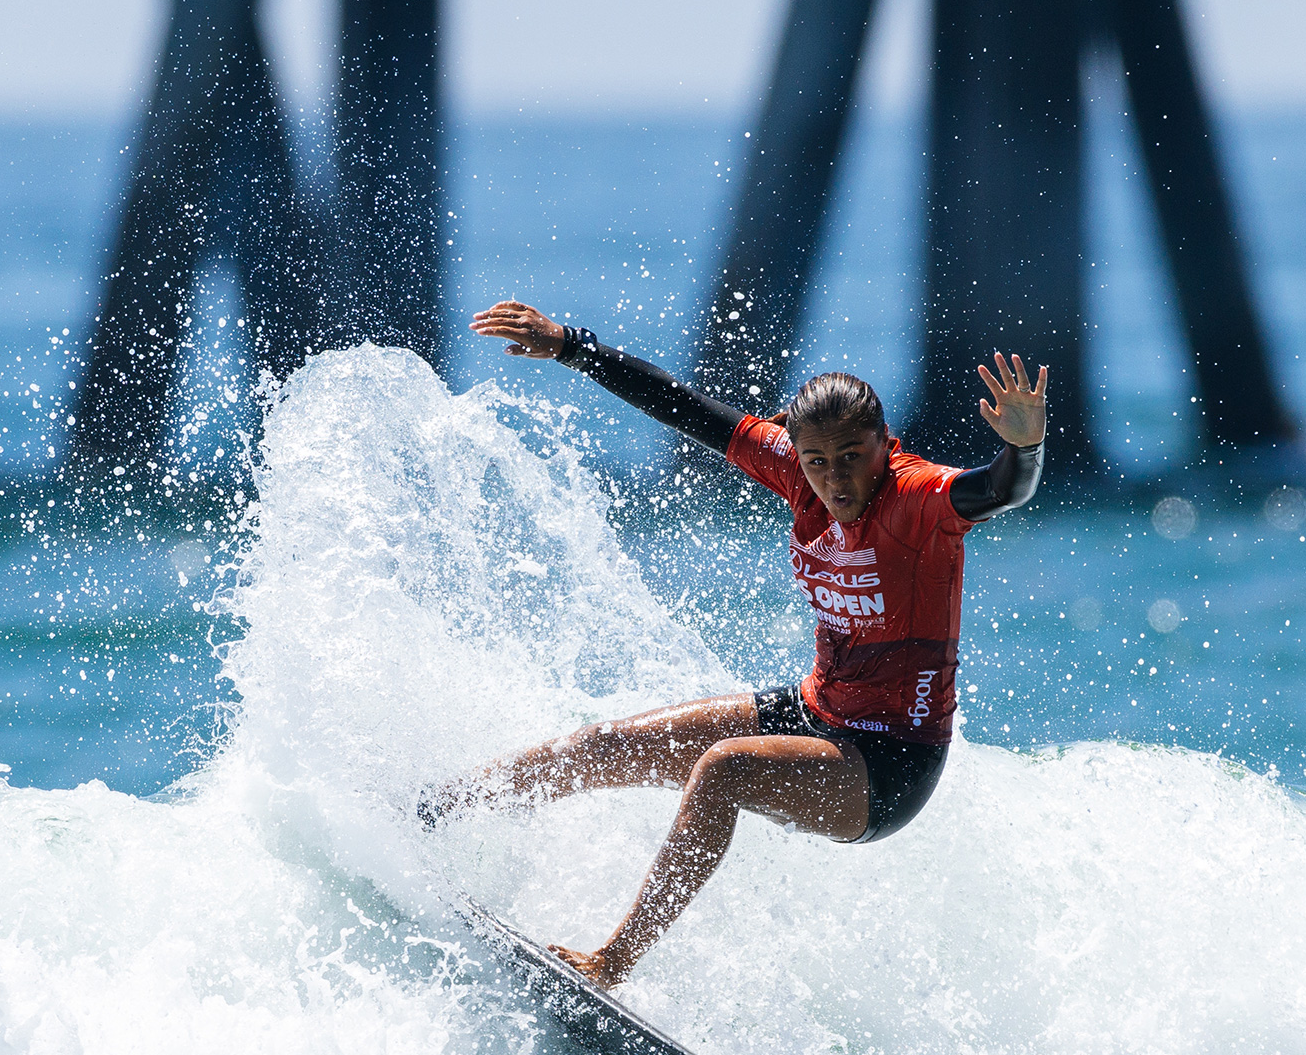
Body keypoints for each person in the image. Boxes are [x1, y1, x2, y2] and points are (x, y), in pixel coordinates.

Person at [420, 299, 1048, 989]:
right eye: (817, 461)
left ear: (884, 445)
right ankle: (430, 812)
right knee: (603, 745)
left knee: (722, 770)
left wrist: (1025, 447)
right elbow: (684, 407)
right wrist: (572, 345)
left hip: (889, 765)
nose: (835, 479)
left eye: (851, 458)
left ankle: (611, 962)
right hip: (818, 713)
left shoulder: (917, 500)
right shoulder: (794, 471)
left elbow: (998, 490)